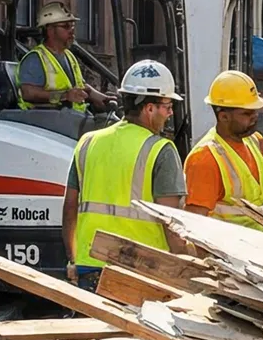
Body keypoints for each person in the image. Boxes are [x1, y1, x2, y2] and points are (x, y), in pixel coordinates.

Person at [62, 60, 185, 290]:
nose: (170, 113)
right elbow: (171, 223)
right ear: (149, 108)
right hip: (143, 270)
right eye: (168, 106)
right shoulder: (161, 150)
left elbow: (70, 208)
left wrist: (73, 260)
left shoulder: (87, 142)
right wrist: (187, 267)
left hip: (90, 266)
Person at [184, 70, 263, 231]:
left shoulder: (255, 141)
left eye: (256, 110)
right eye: (247, 113)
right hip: (228, 245)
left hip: (260, 241)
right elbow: (194, 223)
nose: (255, 116)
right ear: (224, 117)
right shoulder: (205, 158)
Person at [18, 2, 114, 112]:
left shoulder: (69, 56)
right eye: (66, 26)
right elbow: (28, 93)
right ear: (50, 30)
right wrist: (64, 96)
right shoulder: (35, 59)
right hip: (46, 117)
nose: (72, 30)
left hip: (71, 116)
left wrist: (103, 98)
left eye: (73, 26)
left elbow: (80, 86)